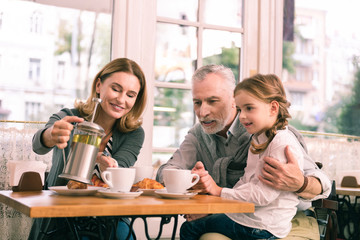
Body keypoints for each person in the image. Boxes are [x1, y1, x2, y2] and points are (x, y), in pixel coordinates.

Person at [156, 65, 331, 238]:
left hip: (288, 222)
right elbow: (167, 171)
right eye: (197, 102)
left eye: (212, 101)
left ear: (234, 99)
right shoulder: (198, 134)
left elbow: (323, 184)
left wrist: (300, 183)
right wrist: (190, 182)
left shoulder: (272, 133)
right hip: (239, 217)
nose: (202, 112)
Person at [28, 57, 147, 240]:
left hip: (110, 217)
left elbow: (119, 168)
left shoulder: (133, 133)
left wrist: (102, 159)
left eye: (130, 95)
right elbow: (38, 145)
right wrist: (52, 134)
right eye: (115, 89)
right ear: (99, 85)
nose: (121, 99)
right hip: (62, 215)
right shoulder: (69, 117)